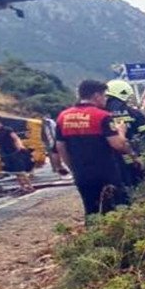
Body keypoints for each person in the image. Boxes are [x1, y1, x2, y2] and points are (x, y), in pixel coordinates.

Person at [55, 79, 135, 219]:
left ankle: (93, 237)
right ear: (97, 96)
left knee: (91, 210)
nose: (105, 100)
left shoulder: (63, 117)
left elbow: (60, 147)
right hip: (106, 173)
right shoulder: (102, 116)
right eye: (104, 96)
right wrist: (121, 131)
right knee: (117, 210)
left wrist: (73, 168)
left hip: (82, 174)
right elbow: (119, 145)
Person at [104, 79, 145, 188]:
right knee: (137, 188)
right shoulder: (135, 113)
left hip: (109, 162)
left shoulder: (101, 115)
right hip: (134, 160)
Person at [0, 115, 35, 194]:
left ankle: (30, 187)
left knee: (21, 171)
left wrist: (20, 147)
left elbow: (16, 138)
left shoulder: (7, 129)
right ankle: (23, 187)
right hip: (5, 154)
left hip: (14, 152)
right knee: (15, 172)